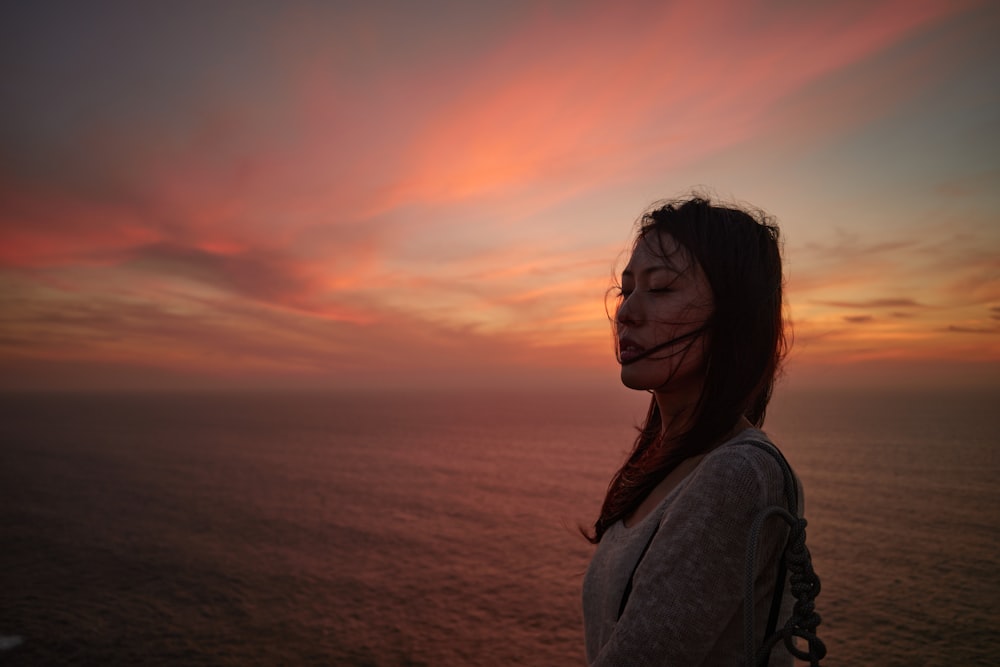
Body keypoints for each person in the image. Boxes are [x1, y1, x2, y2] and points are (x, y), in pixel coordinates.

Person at [581, 195, 824, 666]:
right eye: (625, 290)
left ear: (733, 315)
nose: (626, 312)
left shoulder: (737, 474)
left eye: (661, 289)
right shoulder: (666, 461)